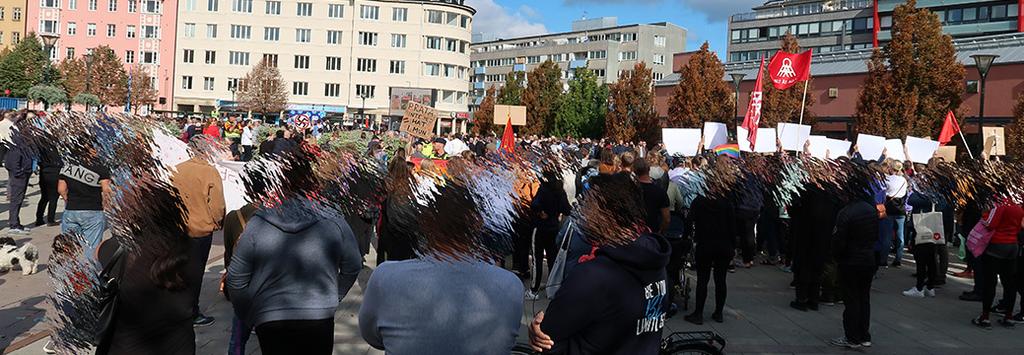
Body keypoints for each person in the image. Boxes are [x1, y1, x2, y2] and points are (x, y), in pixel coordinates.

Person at [529, 173, 671, 354]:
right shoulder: (654, 258)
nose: (581, 214)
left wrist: (537, 329)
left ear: (606, 215)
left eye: (587, 206)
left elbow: (547, 339)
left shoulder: (593, 275)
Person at [226, 198, 362, 355]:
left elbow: (235, 278)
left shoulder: (258, 224)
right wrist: (334, 296)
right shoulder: (334, 220)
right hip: (318, 314)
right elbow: (353, 265)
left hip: (271, 317)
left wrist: (250, 312)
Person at [170, 145, 226, 327]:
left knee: (177, 269)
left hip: (178, 228)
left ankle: (174, 308)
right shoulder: (209, 172)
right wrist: (216, 222)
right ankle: (191, 312)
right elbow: (217, 205)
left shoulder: (177, 169)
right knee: (195, 273)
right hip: (200, 229)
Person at [828, 190, 881, 349]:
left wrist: (836, 255)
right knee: (864, 298)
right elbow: (875, 234)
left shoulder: (846, 212)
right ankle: (864, 334)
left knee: (851, 299)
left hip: (851, 259)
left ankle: (852, 336)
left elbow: (839, 240)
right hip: (867, 258)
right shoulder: (871, 209)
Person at [686, 170, 737, 325]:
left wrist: (687, 238)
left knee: (703, 279)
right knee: (720, 279)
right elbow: (733, 227)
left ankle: (699, 313)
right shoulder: (727, 202)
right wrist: (733, 246)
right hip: (724, 245)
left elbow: (689, 222)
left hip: (705, 244)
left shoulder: (699, 201)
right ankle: (718, 312)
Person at [972, 201, 1023, 329]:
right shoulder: (1018, 209)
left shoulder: (1000, 207)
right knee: (1010, 282)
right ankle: (1009, 316)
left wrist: (984, 217)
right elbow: (1019, 227)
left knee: (990, 281)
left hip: (996, 245)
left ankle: (985, 317)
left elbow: (990, 224)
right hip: (1013, 246)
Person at [59, 144, 113, 257]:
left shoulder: (68, 166)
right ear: (90, 149)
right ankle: (89, 273)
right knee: (91, 248)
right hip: (92, 211)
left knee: (70, 247)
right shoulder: (100, 167)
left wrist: (68, 201)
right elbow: (107, 191)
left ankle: (70, 271)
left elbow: (61, 189)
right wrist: (106, 206)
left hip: (71, 211)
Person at [526, 169, 572, 300]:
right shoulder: (560, 192)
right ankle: (551, 288)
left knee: (537, 259)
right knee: (552, 258)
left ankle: (533, 290)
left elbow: (534, 204)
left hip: (540, 227)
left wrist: (541, 212)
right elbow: (567, 209)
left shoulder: (543, 189)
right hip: (554, 228)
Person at [220, 203, 258, 355]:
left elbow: (228, 252)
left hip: (242, 284)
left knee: (237, 339)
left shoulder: (233, 216)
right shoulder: (272, 216)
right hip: (264, 284)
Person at [5, 125, 33, 234]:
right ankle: (13, 225)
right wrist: (20, 173)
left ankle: (16, 223)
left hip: (23, 175)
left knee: (18, 200)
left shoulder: (23, 144)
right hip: (19, 177)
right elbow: (11, 163)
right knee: (15, 201)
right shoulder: (17, 145)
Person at [884, 161, 908, 267]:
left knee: (887, 235)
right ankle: (898, 259)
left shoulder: (887, 178)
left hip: (889, 208)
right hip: (900, 208)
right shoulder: (903, 180)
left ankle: (883, 259)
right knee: (900, 236)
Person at [34, 138, 63, 227]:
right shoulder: (56, 149)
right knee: (53, 198)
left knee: (44, 197)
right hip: (54, 173)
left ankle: (39, 218)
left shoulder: (41, 149)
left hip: (44, 173)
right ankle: (50, 219)